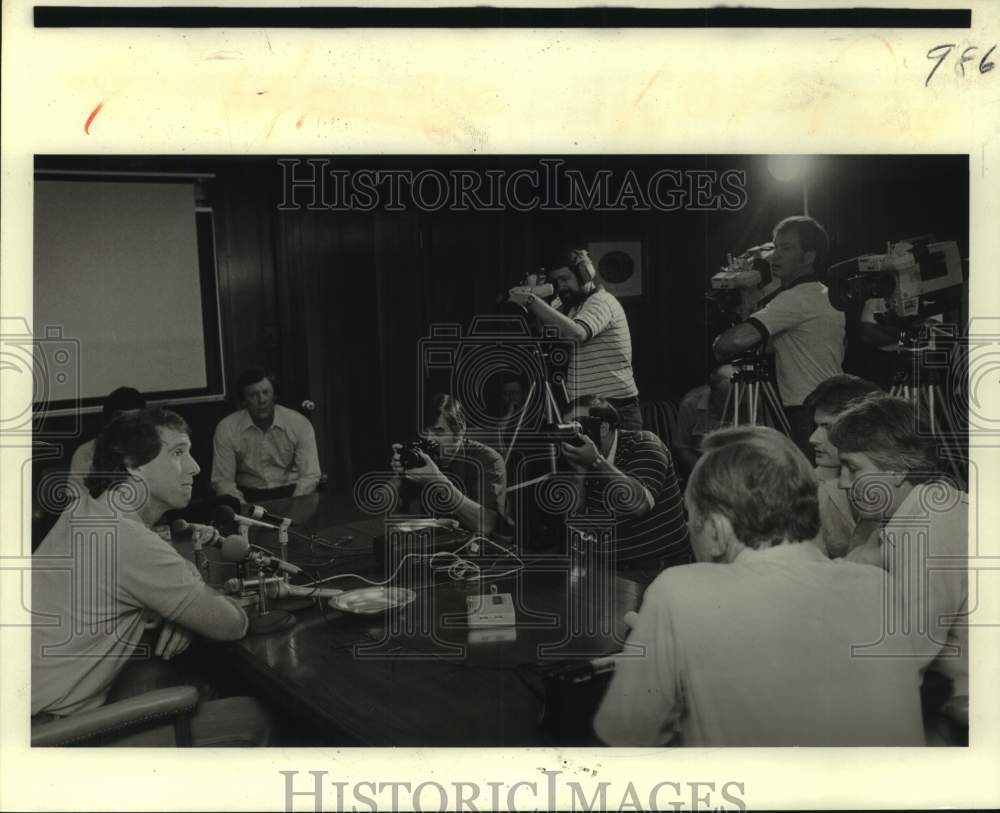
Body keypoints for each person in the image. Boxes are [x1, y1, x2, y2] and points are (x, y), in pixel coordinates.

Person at [593, 425, 925, 747]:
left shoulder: (677, 591)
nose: (688, 529)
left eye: (690, 516)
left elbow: (627, 737)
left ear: (718, 530)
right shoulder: (878, 586)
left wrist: (645, 659)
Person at [32, 407, 273, 746]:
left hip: (25, 715)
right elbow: (232, 624)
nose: (195, 467)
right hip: (52, 738)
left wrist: (173, 610)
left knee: (179, 671)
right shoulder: (128, 540)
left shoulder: (85, 511)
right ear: (133, 465)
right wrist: (187, 613)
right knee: (254, 718)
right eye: (178, 453)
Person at [828, 395, 968, 716]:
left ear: (897, 469)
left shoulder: (933, 524)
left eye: (852, 468)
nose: (843, 483)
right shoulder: (900, 515)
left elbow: (910, 651)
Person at [712, 216, 845, 451]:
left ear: (809, 257)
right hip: (828, 405)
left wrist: (720, 343)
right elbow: (769, 344)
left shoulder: (796, 297)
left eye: (787, 248)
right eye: (775, 247)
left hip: (808, 411)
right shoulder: (820, 293)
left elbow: (731, 343)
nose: (776, 255)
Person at [508, 248, 641, 430]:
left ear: (585, 274)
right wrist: (534, 294)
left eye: (565, 278)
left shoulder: (600, 302)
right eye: (557, 281)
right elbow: (545, 328)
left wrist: (531, 299)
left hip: (613, 408)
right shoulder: (573, 307)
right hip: (587, 408)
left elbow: (577, 333)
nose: (561, 286)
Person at [558, 395, 691, 570]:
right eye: (569, 428)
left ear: (603, 427)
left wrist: (597, 462)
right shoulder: (583, 458)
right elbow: (574, 519)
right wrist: (580, 474)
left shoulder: (644, 443)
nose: (573, 435)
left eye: (578, 426)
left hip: (659, 567)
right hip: (611, 569)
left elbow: (640, 504)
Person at [391, 394, 510, 537]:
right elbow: (390, 510)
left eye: (438, 432)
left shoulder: (489, 460)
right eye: (425, 433)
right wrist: (399, 475)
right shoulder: (422, 455)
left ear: (460, 431)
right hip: (432, 544)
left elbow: (486, 525)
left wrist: (438, 481)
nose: (429, 439)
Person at [802, 375, 884, 558]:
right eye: (816, 426)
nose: (813, 439)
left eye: (828, 427)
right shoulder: (811, 488)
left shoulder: (899, 485)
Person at [211, 367, 321, 502]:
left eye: (266, 392)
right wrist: (245, 509)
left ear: (274, 395)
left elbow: (310, 475)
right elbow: (223, 482)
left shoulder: (298, 423)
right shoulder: (227, 428)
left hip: (292, 492)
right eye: (253, 395)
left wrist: (293, 505)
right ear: (243, 401)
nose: (261, 400)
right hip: (248, 495)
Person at [67, 386, 146, 495]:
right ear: (108, 425)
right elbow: (76, 504)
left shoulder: (157, 449)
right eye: (125, 424)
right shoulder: (86, 453)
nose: (132, 430)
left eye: (138, 423)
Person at [672, 364, 734, 478]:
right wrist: (706, 474)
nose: (728, 407)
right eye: (723, 400)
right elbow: (682, 448)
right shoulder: (690, 403)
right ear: (712, 391)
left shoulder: (750, 399)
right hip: (703, 469)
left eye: (732, 402)